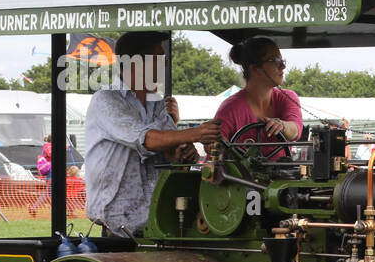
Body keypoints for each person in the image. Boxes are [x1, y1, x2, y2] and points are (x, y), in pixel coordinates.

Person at [85, 32, 220, 235]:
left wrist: (181, 154)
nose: (166, 61)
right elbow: (146, 139)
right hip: (117, 225)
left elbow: (170, 147)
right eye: (159, 55)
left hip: (155, 221)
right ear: (137, 62)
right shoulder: (106, 99)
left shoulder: (156, 102)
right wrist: (196, 133)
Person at [216, 37, 302, 159]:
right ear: (255, 69)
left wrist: (282, 125)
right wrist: (215, 144)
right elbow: (215, 145)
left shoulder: (287, 98)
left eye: (282, 60)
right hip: (242, 178)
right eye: (275, 60)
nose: (283, 66)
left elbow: (295, 130)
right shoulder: (230, 108)